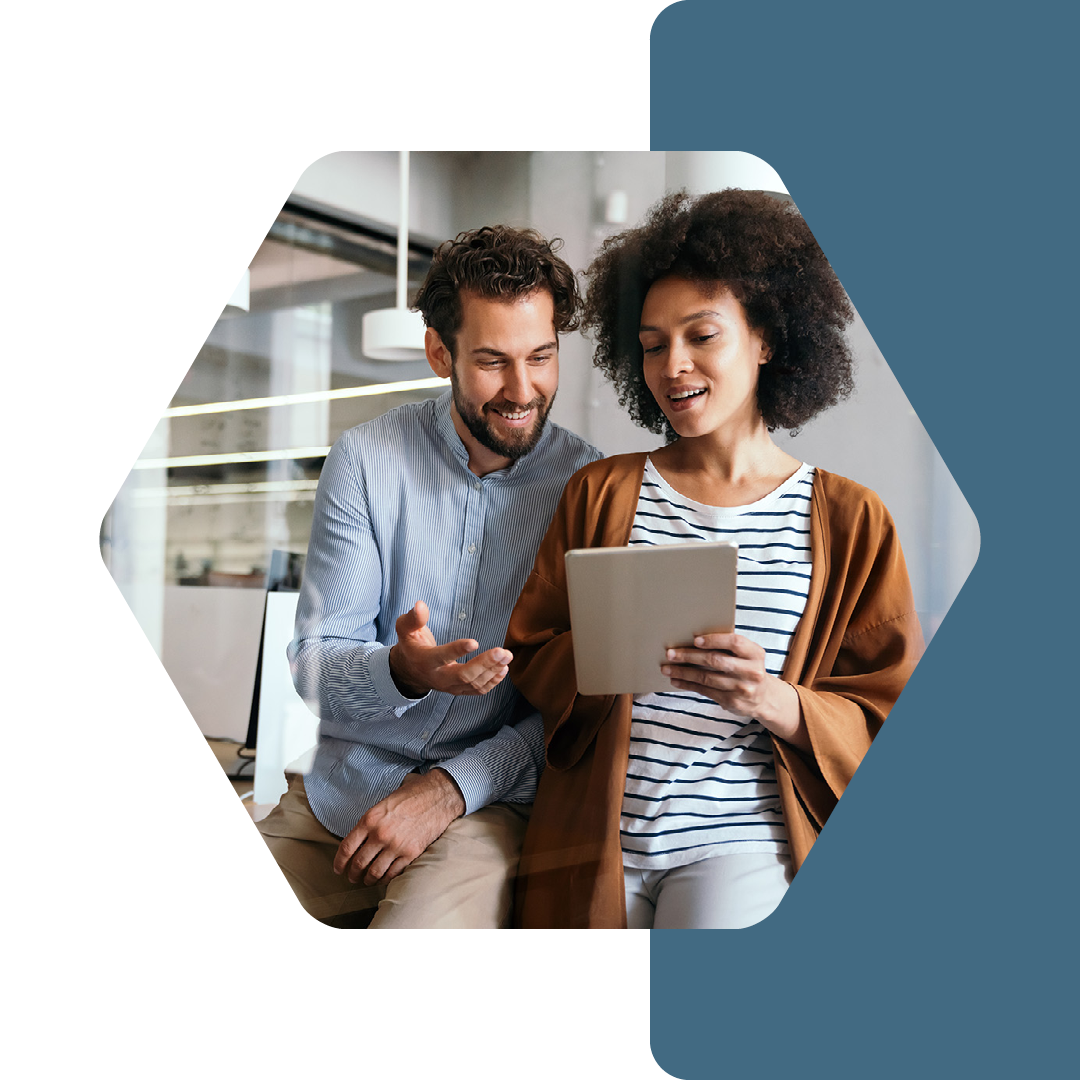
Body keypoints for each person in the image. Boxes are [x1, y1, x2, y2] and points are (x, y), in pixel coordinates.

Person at [505, 190, 925, 929]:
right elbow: (533, 650)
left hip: (739, 845)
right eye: (653, 343)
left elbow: (887, 711)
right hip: (595, 838)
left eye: (703, 335)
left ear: (767, 339)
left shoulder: (851, 520)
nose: (674, 366)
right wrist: (606, 655)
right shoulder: (602, 490)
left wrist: (775, 700)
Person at [257, 225, 602, 928]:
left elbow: (579, 710)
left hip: (482, 804)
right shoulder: (364, 460)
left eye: (541, 356)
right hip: (339, 796)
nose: (522, 389)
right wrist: (404, 671)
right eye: (492, 361)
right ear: (439, 352)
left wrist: (448, 788)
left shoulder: (589, 487)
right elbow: (313, 668)